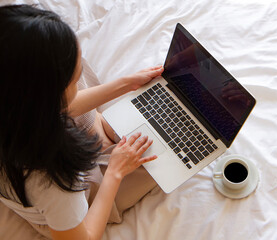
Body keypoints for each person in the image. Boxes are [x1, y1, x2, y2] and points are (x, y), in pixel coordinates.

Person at [0, 4, 163, 240]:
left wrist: (126, 83)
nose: (80, 80)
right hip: (67, 214)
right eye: (74, 81)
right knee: (158, 157)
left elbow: (60, 107)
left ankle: (104, 134)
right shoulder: (54, 182)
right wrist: (114, 173)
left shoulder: (14, 101)